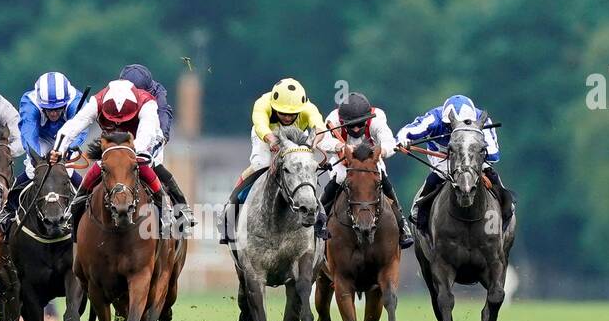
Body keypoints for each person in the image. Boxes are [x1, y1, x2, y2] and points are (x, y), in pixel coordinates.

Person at [51, 79, 166, 238]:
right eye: (114, 119)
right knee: (92, 175)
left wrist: (129, 153)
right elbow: (74, 125)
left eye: (124, 119)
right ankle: (73, 215)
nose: (118, 122)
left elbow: (147, 134)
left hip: (139, 147)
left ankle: (167, 211)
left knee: (149, 170)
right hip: (110, 148)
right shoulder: (97, 101)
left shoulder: (147, 103)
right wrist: (58, 150)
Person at [219, 77, 324, 245]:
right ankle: (229, 214)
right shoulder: (262, 103)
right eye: (283, 113)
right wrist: (271, 140)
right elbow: (261, 125)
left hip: (295, 136)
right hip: (266, 135)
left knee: (304, 168)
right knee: (262, 165)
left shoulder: (308, 108)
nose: (288, 117)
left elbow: (319, 125)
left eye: (292, 114)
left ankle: (318, 214)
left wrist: (316, 140)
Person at [396, 93, 512, 241]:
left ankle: (507, 211)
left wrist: (475, 152)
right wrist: (401, 140)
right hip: (443, 156)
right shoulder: (434, 118)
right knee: (437, 178)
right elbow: (408, 131)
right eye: (449, 125)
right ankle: (419, 213)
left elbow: (494, 155)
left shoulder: (481, 119)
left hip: (473, 154)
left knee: (493, 177)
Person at [316, 93, 413, 248]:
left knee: (381, 175)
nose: (355, 128)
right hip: (343, 162)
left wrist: (380, 151)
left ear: (367, 119)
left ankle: (402, 224)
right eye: (350, 125)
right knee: (340, 178)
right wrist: (340, 146)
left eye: (360, 124)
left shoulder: (377, 118)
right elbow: (323, 141)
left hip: (370, 160)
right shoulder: (333, 118)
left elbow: (388, 141)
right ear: (343, 121)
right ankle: (319, 220)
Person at [0, 71, 86, 232]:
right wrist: (38, 160)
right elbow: (29, 135)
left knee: (67, 171)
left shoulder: (77, 101)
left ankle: (86, 208)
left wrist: (63, 151)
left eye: (58, 108)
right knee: (33, 171)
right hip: (41, 139)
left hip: (67, 138)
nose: (53, 113)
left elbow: (80, 134)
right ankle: (8, 210)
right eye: (48, 109)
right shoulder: (30, 103)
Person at [117, 63, 194, 229]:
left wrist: (163, 136)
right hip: (124, 133)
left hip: (151, 131)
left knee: (154, 165)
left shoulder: (158, 92)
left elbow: (164, 113)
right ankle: (79, 204)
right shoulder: (115, 92)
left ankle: (181, 207)